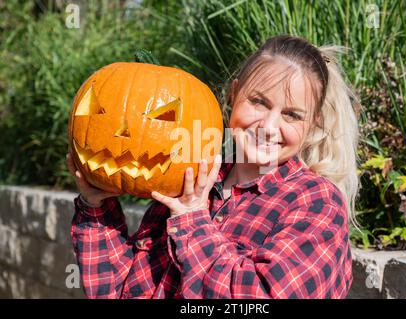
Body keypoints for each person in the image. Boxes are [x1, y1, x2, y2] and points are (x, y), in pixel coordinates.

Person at [67, 35, 359, 299]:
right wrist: (96, 206)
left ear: (314, 122)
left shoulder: (315, 202)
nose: (269, 127)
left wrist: (192, 223)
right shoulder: (190, 176)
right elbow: (118, 291)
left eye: (291, 115)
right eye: (258, 102)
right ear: (234, 94)